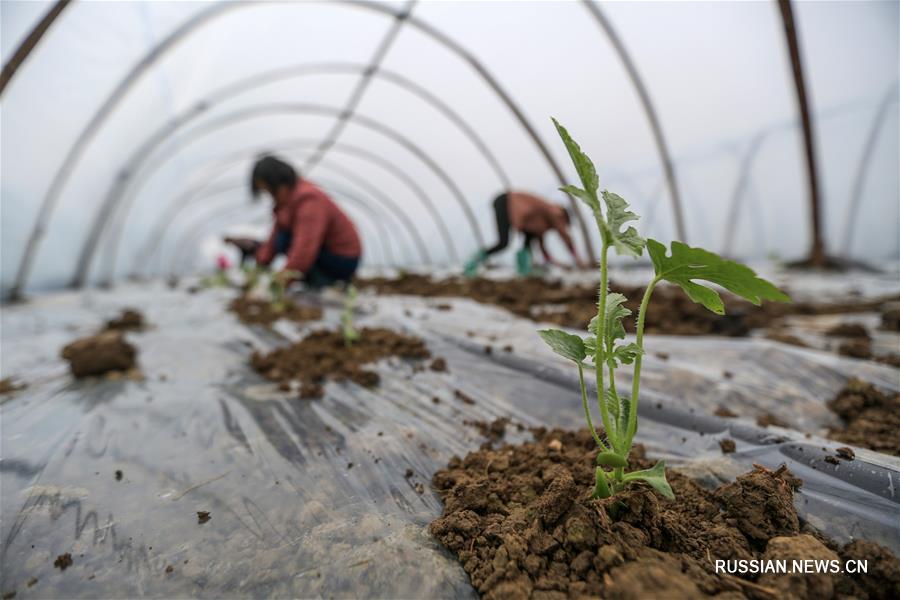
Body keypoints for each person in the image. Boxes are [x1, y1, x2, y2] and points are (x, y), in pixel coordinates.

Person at [250, 155, 362, 288]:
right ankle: (313, 278)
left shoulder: (309, 200)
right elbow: (272, 242)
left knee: (284, 239)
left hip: (342, 259)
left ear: (281, 184)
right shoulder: (286, 206)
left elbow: (304, 248)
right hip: (324, 254)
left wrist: (278, 283)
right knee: (281, 238)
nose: (271, 197)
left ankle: (325, 280)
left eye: (270, 191)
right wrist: (259, 268)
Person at [465, 191, 584, 276]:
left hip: (514, 208)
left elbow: (540, 241)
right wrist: (576, 257)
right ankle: (473, 262)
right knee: (503, 242)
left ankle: (523, 269)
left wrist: (549, 259)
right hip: (505, 202)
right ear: (564, 218)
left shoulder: (541, 220)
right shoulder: (555, 212)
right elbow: (564, 234)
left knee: (530, 238)